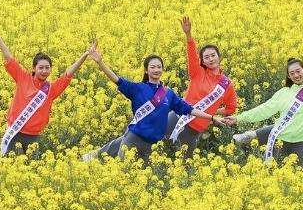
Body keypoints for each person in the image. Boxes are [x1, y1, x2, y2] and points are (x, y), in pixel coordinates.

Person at [87, 45, 230, 162]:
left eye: (159, 67)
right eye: (152, 67)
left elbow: (188, 109)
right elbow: (116, 79)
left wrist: (211, 117)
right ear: (146, 70)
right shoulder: (138, 89)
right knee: (123, 171)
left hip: (150, 147)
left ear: (162, 69)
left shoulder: (168, 93)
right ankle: (95, 156)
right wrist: (100, 62)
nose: (156, 70)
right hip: (132, 139)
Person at [0, 20, 91, 156]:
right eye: (41, 67)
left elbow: (68, 74)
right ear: (34, 68)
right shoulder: (23, 77)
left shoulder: (51, 89)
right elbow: (8, 57)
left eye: (47, 68)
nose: (44, 71)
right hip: (15, 132)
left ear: (51, 69)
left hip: (34, 137)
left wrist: (85, 55)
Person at [231, 27, 303, 166]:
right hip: (278, 140)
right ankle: (250, 135)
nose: (296, 75)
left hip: (298, 143)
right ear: (289, 76)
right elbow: (263, 110)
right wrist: (238, 118)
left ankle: (252, 135)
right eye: (292, 73)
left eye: (298, 71)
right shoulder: (283, 93)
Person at [165, 16, 239, 156]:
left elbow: (231, 108)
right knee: (146, 143)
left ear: (219, 56)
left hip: (194, 131)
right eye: (206, 57)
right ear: (203, 62)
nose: (211, 59)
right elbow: (191, 54)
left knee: (183, 165)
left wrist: (211, 112)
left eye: (213, 55)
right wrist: (188, 34)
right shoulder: (197, 72)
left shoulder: (226, 84)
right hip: (176, 119)